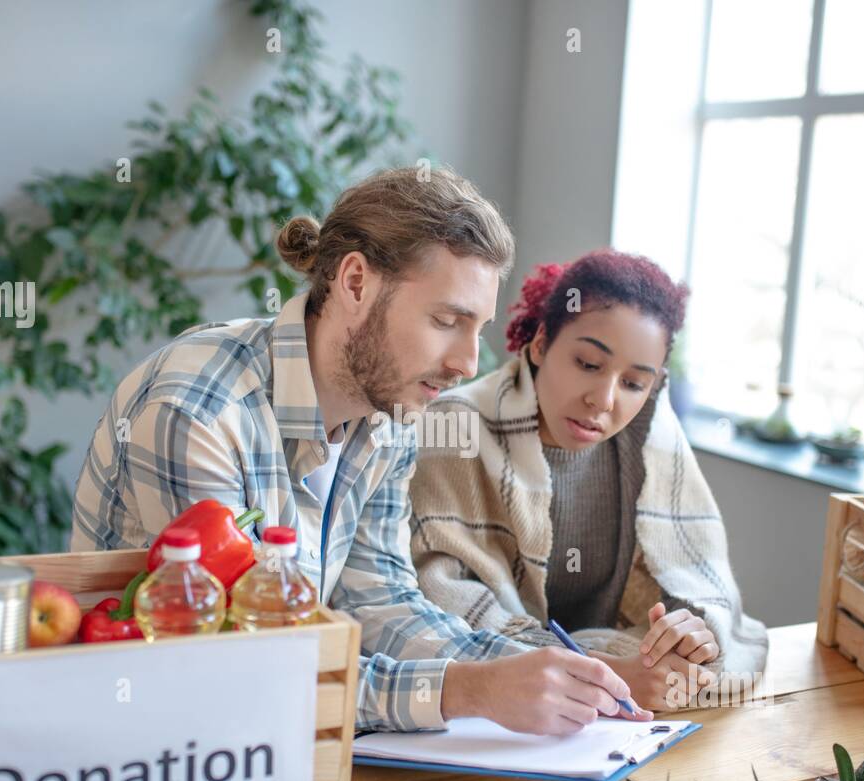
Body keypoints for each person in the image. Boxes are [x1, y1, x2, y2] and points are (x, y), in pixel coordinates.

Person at [71, 167, 652, 735]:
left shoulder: (390, 410)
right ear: (354, 283)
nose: (467, 363)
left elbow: (378, 598)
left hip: (268, 744)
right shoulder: (198, 414)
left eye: (477, 329)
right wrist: (471, 691)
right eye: (447, 320)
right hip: (149, 746)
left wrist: (538, 673)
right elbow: (241, 669)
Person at [408, 250, 769, 710]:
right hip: (488, 713)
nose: (603, 399)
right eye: (588, 364)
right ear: (540, 344)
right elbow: (434, 601)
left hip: (617, 727)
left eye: (634, 383)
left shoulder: (651, 439)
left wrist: (691, 635)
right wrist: (602, 672)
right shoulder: (454, 427)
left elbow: (706, 588)